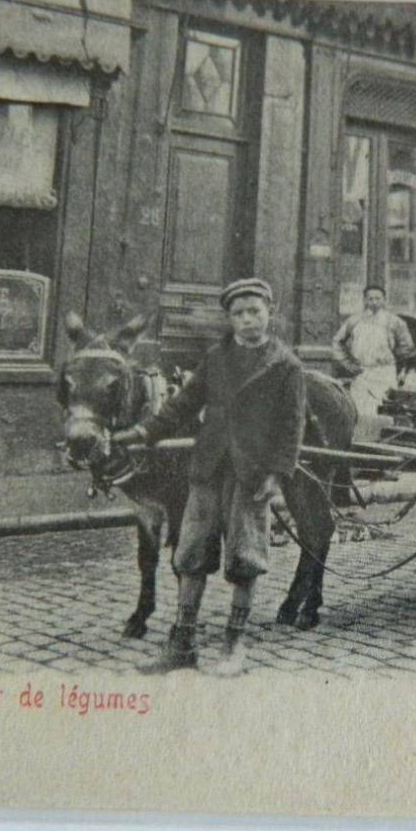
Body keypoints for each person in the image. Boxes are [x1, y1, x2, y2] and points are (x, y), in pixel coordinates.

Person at [113, 278, 305, 676]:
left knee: (245, 556)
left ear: (270, 312)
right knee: (190, 555)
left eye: (255, 311)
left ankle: (235, 645)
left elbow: (292, 425)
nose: (248, 320)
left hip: (251, 474)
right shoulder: (217, 357)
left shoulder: (286, 365)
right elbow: (183, 404)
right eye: (239, 313)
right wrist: (144, 432)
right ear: (230, 319)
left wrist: (277, 473)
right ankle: (183, 644)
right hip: (207, 468)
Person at [331, 283, 413, 417]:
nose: (374, 302)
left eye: (378, 298)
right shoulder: (354, 321)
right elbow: (337, 342)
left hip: (385, 373)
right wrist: (348, 364)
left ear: (385, 300)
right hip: (362, 374)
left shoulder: (395, 322)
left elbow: (407, 346)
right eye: (370, 299)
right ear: (364, 300)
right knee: (359, 413)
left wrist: (394, 362)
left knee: (384, 413)